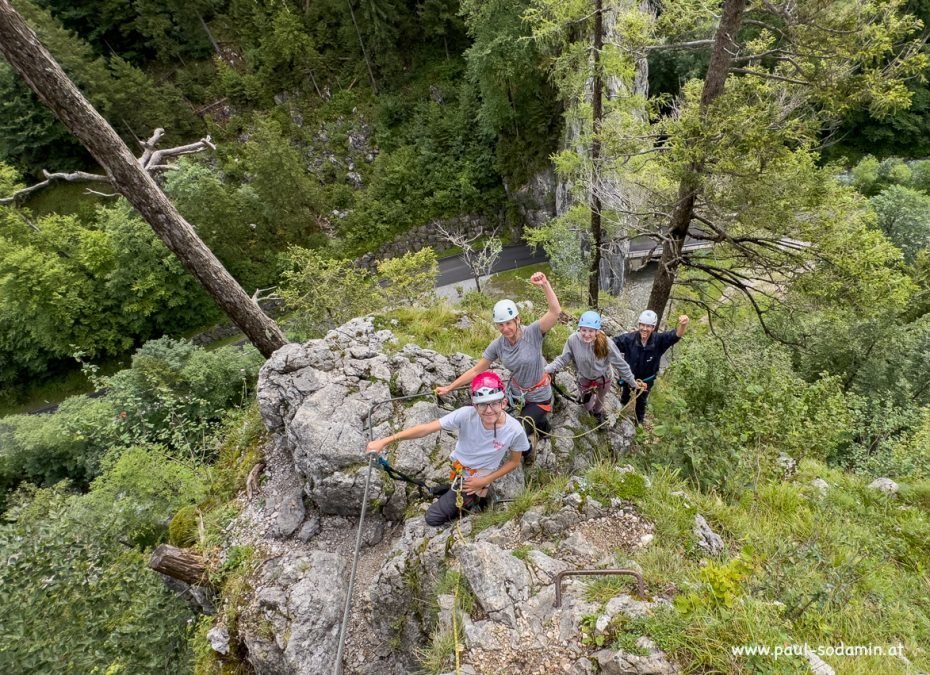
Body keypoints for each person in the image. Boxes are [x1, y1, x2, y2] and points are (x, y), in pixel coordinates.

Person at [367, 372, 529, 527]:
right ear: (474, 405)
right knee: (447, 494)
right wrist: (385, 441)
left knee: (432, 518)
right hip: (458, 467)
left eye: (493, 403)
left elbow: (514, 462)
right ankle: (458, 491)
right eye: (482, 405)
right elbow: (426, 428)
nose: (488, 410)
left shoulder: (514, 430)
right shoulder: (466, 414)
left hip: (475, 479)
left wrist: (485, 481)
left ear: (503, 402)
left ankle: (477, 500)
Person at [436, 271, 561, 465]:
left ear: (517, 320)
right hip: (516, 394)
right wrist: (450, 387)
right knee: (493, 419)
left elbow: (555, 312)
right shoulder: (498, 345)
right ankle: (542, 425)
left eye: (508, 323)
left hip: (538, 395)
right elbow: (477, 370)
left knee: (516, 429)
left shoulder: (533, 333)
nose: (505, 329)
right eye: (500, 325)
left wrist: (545, 284)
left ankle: (527, 451)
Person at [545, 311, 646, 423]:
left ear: (597, 331)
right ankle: (590, 411)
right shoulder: (573, 340)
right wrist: (547, 369)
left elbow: (620, 364)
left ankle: (598, 413)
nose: (587, 334)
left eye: (591, 331)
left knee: (600, 398)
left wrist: (632, 383)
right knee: (587, 405)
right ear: (579, 329)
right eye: (584, 330)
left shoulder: (606, 343)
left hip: (603, 378)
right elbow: (563, 359)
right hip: (584, 378)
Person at [613, 310, 690, 425]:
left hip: (646, 380)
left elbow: (675, 335)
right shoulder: (629, 339)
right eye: (642, 325)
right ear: (638, 325)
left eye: (648, 326)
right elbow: (613, 343)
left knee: (641, 401)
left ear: (653, 327)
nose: (644, 329)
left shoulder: (659, 341)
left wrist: (683, 325)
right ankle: (620, 412)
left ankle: (639, 423)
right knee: (625, 395)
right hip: (630, 377)